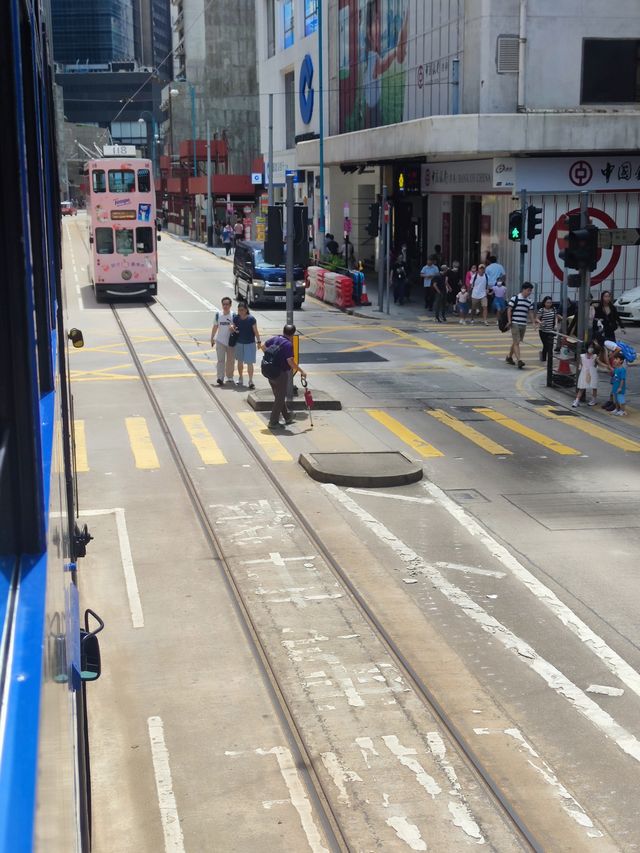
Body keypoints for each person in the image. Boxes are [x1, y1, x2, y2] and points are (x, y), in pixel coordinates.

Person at [260, 324, 307, 429]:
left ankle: (287, 418)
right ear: (293, 334)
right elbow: (290, 361)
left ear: (283, 331)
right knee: (280, 398)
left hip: (268, 370)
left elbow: (263, 347)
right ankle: (273, 422)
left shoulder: (275, 338)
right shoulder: (288, 345)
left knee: (278, 396)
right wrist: (301, 371)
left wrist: (271, 357)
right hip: (280, 373)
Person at [505, 282, 538, 369]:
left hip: (523, 324)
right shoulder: (515, 298)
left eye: (530, 291)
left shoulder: (529, 300)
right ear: (523, 289)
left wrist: (533, 323)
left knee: (517, 341)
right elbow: (509, 310)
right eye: (528, 290)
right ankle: (519, 360)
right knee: (516, 342)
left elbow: (530, 312)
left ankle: (509, 357)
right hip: (515, 323)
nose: (529, 292)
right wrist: (509, 321)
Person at [233, 301, 261, 389]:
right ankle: (240, 377)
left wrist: (259, 341)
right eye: (239, 310)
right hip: (239, 343)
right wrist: (233, 329)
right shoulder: (236, 318)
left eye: (242, 310)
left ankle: (250, 380)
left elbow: (255, 331)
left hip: (250, 343)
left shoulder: (251, 319)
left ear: (246, 310)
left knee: (249, 363)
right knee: (240, 362)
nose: (240, 312)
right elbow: (233, 328)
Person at [210, 296, 236, 385]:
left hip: (231, 342)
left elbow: (237, 327)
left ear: (230, 305)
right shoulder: (218, 315)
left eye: (227, 304)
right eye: (224, 304)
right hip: (220, 341)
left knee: (230, 361)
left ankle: (230, 377)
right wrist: (212, 338)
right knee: (220, 360)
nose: (225, 306)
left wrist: (233, 328)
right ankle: (220, 378)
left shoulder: (234, 315)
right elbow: (215, 326)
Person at [537, 295, 559, 362]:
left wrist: (556, 324)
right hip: (543, 331)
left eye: (550, 302)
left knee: (551, 346)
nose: (549, 304)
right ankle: (543, 358)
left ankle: (550, 360)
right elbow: (537, 318)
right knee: (546, 345)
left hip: (551, 331)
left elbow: (556, 317)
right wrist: (540, 323)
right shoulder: (541, 310)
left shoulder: (554, 309)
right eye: (547, 302)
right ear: (544, 303)